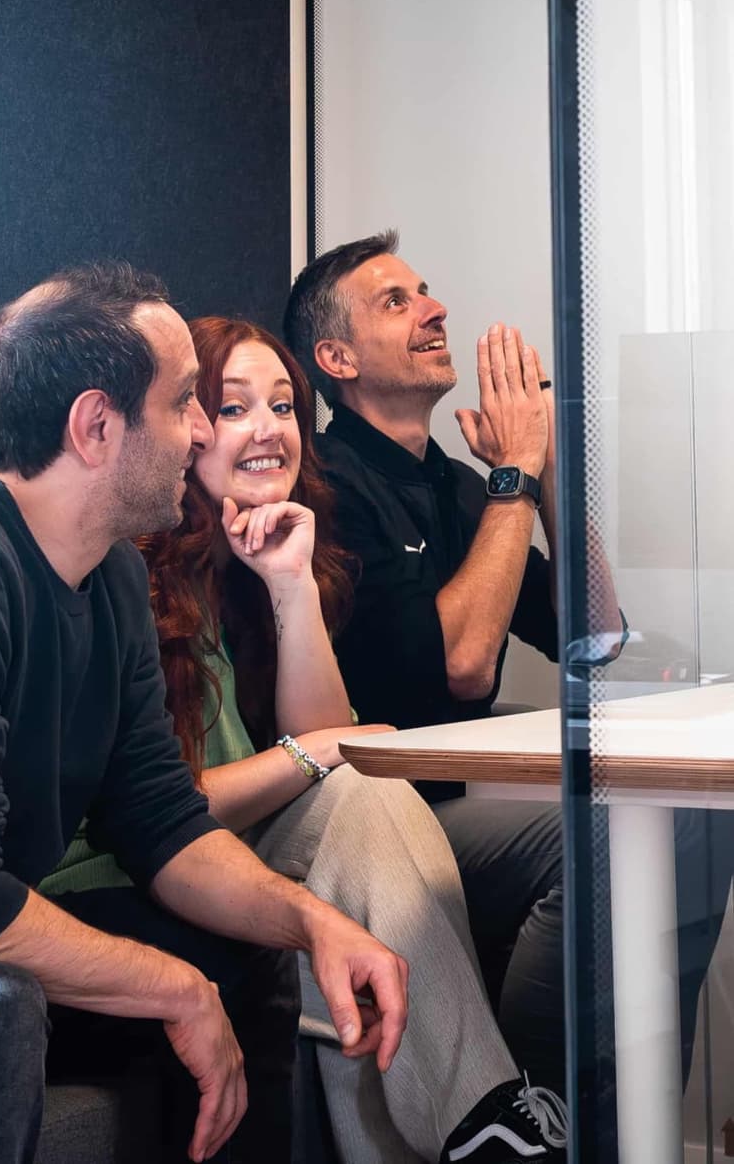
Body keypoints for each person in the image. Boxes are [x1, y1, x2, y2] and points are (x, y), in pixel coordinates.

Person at [0, 263, 410, 1164]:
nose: (204, 432)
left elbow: (160, 822)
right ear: (96, 426)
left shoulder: (109, 575)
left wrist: (312, 920)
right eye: (186, 403)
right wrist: (175, 989)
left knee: (241, 954)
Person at [49, 314, 568, 1164]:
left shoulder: (274, 549)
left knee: (364, 798)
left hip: (247, 843)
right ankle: (490, 1119)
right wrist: (305, 757)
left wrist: (290, 589)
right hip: (152, 864)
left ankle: (498, 1116)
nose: (270, 429)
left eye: (285, 407)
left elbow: (330, 742)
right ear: (185, 430)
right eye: (235, 405)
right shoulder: (130, 569)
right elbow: (165, 809)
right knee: (358, 799)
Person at [283, 228, 731, 1094]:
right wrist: (515, 473)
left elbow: (596, 640)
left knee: (702, 811)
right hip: (375, 820)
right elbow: (462, 665)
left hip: (450, 805)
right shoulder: (326, 483)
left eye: (426, 290)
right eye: (397, 300)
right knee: (604, 837)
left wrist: (549, 473)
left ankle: (631, 1112)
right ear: (336, 356)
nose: (436, 308)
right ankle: (536, 1112)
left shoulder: (460, 484)